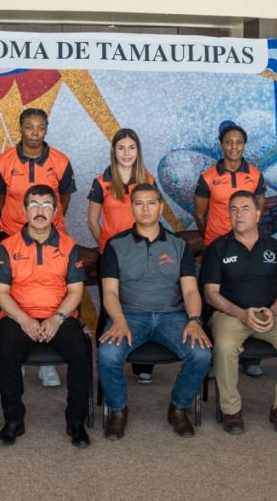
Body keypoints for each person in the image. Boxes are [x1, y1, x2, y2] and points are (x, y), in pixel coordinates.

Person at [97, 183, 212, 440]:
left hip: (172, 317)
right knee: (107, 354)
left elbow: (190, 291)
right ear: (132, 208)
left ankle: (178, 408)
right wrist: (118, 320)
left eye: (151, 203)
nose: (145, 209)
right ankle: (118, 411)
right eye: (139, 203)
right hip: (129, 316)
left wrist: (194, 320)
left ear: (160, 207)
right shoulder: (116, 245)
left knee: (201, 354)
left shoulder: (178, 245)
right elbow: (110, 293)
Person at [0, 184, 90, 448]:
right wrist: (24, 319)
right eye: (33, 205)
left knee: (81, 351)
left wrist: (57, 318)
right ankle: (14, 420)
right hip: (18, 317)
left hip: (60, 316)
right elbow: (1, 293)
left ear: (55, 211)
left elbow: (76, 291)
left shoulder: (69, 246)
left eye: (46, 205)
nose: (39, 211)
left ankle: (76, 421)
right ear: (24, 210)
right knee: (7, 351)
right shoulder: (7, 246)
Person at [202, 190, 277, 435]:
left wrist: (273, 310)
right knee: (225, 345)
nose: (239, 214)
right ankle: (231, 410)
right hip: (230, 315)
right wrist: (241, 314)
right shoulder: (218, 248)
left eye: (245, 209)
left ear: (258, 215)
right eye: (234, 209)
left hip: (271, 314)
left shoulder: (274, 246)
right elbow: (210, 293)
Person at [0, 108, 77, 388]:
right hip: (13, 234)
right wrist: (18, 221)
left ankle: (47, 364)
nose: (35, 132)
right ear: (21, 128)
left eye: (40, 127)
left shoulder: (60, 161)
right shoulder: (4, 161)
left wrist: (45, 223)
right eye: (29, 126)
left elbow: (63, 199)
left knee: (51, 293)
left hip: (51, 236)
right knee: (16, 294)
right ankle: (18, 357)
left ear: (46, 129)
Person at [194, 121, 267, 378]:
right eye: (228, 142)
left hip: (248, 247)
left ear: (244, 145)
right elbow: (200, 214)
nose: (234, 147)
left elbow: (258, 211)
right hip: (216, 247)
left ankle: (250, 357)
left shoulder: (255, 175)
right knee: (212, 301)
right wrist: (213, 239)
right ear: (221, 145)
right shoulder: (208, 177)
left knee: (252, 294)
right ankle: (212, 355)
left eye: (239, 142)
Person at [88, 128, 157, 385]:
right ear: (113, 151)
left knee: (142, 306)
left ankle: (143, 365)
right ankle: (105, 362)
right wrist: (109, 248)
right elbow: (93, 221)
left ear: (138, 151)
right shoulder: (101, 182)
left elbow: (152, 217)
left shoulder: (147, 179)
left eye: (131, 148)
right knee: (109, 309)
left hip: (142, 256)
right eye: (121, 148)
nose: (126, 153)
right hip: (112, 257)